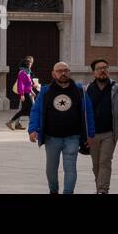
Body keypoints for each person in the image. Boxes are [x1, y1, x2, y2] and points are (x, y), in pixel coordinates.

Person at [29, 61, 94, 194]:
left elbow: (89, 112)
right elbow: (36, 111)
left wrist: (90, 134)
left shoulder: (80, 90)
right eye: (59, 71)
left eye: (66, 70)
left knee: (70, 168)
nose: (63, 73)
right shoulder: (45, 91)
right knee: (51, 169)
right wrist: (33, 129)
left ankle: (68, 192)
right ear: (53, 74)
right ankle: (53, 190)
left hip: (73, 137)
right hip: (51, 137)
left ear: (69, 72)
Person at [85, 59, 118, 194]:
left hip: (110, 133)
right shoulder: (86, 89)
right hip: (92, 134)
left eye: (105, 68)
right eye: (99, 68)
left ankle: (102, 190)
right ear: (93, 72)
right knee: (96, 164)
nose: (103, 70)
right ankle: (100, 188)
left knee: (105, 161)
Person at [7, 56, 36, 131]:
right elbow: (21, 84)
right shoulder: (22, 72)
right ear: (26, 64)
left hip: (28, 93)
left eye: (31, 63)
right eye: (29, 63)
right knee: (31, 109)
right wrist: (22, 95)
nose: (30, 64)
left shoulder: (28, 72)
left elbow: (28, 84)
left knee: (26, 110)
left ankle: (11, 122)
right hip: (25, 94)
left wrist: (32, 92)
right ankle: (33, 126)